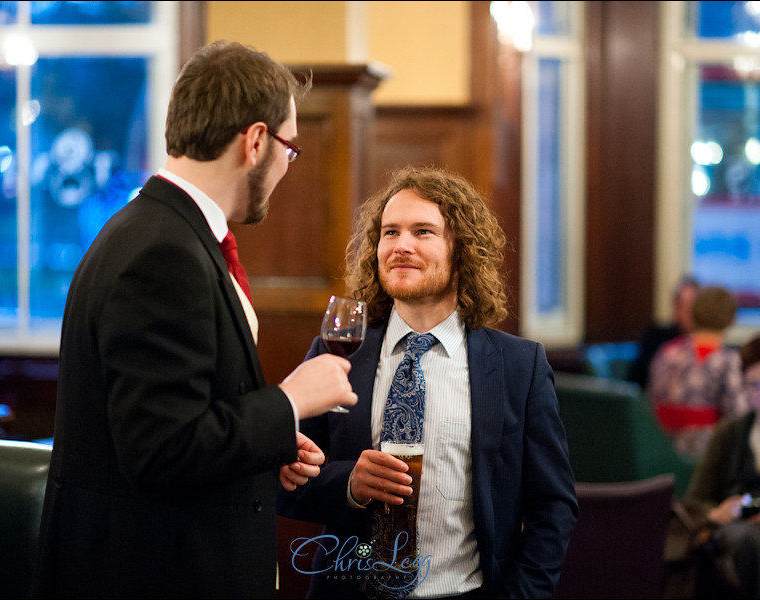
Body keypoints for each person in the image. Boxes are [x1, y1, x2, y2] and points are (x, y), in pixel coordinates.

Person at [35, 41, 358, 599]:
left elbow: (191, 411)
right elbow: (164, 450)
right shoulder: (163, 254)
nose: (287, 166)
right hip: (156, 574)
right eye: (289, 148)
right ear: (256, 141)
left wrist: (272, 443)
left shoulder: (158, 231)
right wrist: (290, 402)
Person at [277, 165, 578, 598]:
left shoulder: (518, 366)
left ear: (463, 251)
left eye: (422, 232)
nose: (401, 246)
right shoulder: (336, 352)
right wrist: (348, 485)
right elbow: (285, 480)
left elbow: (553, 506)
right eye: (390, 232)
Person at [683, 332, 760, 598]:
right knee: (749, 543)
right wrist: (717, 512)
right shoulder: (730, 433)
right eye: (753, 385)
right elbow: (694, 501)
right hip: (738, 540)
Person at [647, 284, 748, 460]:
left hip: (659, 449)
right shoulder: (728, 360)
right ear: (732, 318)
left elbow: (650, 399)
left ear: (693, 314)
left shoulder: (667, 352)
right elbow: (739, 417)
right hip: (707, 457)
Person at [628, 275, 699, 389]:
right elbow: (640, 378)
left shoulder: (706, 341)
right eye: (684, 307)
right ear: (675, 308)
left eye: (692, 307)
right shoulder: (656, 336)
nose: (689, 313)